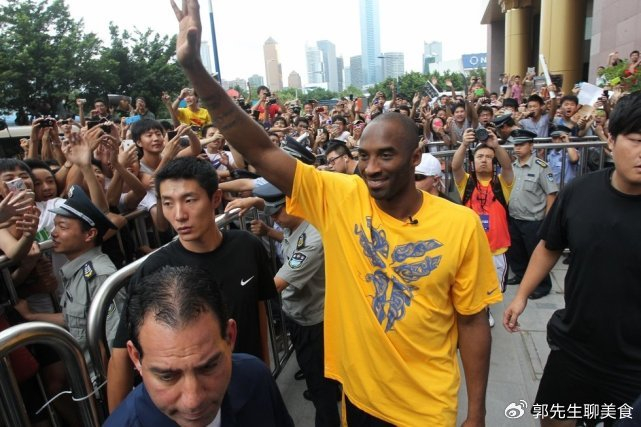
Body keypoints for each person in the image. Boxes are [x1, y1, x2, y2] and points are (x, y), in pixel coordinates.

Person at [170, 2, 500, 423]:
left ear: (416, 156)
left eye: (386, 155)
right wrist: (195, 70)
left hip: (426, 409)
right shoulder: (340, 196)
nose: (372, 167)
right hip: (357, 399)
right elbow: (262, 150)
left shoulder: (461, 225)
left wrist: (477, 412)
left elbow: (473, 322)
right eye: (364, 155)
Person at [503, 91, 641, 426]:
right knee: (552, 420)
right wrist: (521, 296)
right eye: (637, 141)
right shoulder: (579, 193)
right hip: (576, 346)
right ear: (610, 140)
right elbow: (549, 245)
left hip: (634, 366)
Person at [106, 156, 276, 412]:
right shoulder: (154, 269)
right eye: (167, 203)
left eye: (189, 200)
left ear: (215, 199)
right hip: (192, 406)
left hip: (247, 392)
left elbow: (257, 310)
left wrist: (264, 373)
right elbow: (121, 354)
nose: (179, 215)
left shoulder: (247, 246)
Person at [105, 266, 294, 427]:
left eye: (209, 367)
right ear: (136, 357)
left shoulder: (255, 378)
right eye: (167, 376)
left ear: (230, 337)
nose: (193, 401)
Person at [253, 182, 341, 426]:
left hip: (311, 323)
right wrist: (268, 231)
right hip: (302, 314)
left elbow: (276, 285)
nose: (274, 218)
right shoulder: (298, 223)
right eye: (270, 213)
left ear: (296, 203)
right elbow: (291, 240)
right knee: (320, 376)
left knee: (319, 387)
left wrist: (241, 290)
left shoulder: (313, 240)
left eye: (277, 211)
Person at [14, 185, 124, 373]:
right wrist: (31, 316)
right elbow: (76, 318)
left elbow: (115, 342)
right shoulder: (78, 270)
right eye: (54, 225)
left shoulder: (98, 275)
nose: (53, 233)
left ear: (89, 234)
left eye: (62, 227)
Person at [452, 127, 514, 326]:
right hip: (472, 248)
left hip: (497, 249)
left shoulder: (502, 183)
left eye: (488, 157)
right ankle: (478, 311)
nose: (484, 160)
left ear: (494, 162)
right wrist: (464, 144)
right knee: (471, 283)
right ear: (473, 161)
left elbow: (508, 167)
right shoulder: (466, 182)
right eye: (480, 156)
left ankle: (485, 308)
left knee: (492, 287)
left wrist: (496, 146)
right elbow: (455, 166)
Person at [504, 130, 558, 299]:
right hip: (514, 217)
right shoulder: (512, 167)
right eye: (516, 145)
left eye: (521, 145)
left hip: (533, 220)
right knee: (517, 252)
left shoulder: (541, 167)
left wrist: (548, 220)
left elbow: (551, 194)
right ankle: (520, 275)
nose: (517, 148)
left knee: (537, 255)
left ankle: (542, 285)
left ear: (531, 146)